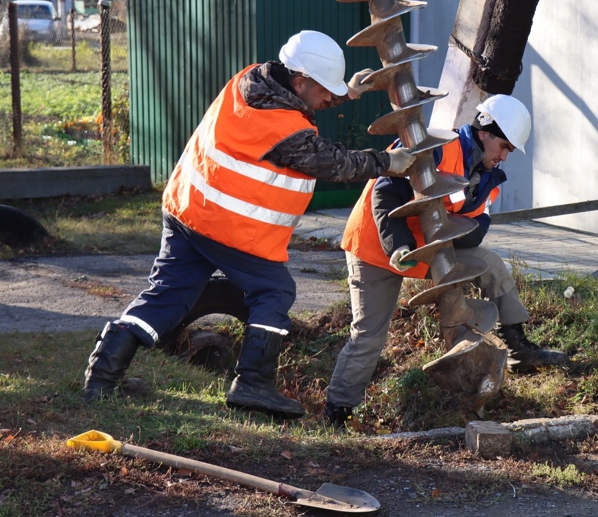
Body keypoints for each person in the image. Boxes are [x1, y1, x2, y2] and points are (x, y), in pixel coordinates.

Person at [82, 30, 416, 419]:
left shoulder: (251, 80)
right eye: (324, 90)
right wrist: (387, 163)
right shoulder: (284, 128)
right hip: (227, 224)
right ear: (300, 80)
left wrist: (348, 92)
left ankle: (102, 377)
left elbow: (296, 104)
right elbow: (332, 162)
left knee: (167, 296)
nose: (327, 99)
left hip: (187, 208)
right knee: (274, 291)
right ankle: (253, 383)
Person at [325, 94, 568, 427]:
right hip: (378, 247)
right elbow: (385, 192)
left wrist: (448, 242)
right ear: (485, 131)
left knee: (491, 265)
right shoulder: (435, 147)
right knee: (369, 335)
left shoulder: (488, 178)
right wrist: (399, 245)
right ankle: (338, 410)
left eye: (510, 150)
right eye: (505, 147)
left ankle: (517, 347)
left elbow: (478, 225)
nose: (505, 157)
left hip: (429, 249)